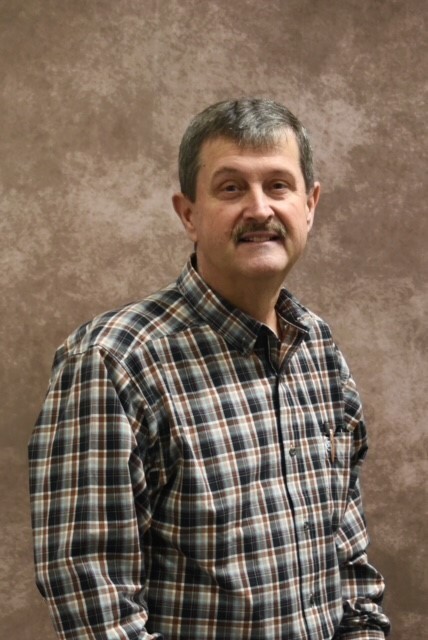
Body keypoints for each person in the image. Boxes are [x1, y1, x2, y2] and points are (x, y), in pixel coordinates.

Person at [29, 98, 391, 639]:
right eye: (231, 188)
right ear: (189, 214)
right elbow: (95, 609)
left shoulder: (318, 349)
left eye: (278, 186)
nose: (259, 209)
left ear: (309, 205)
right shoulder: (112, 362)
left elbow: (350, 566)